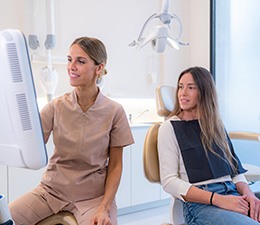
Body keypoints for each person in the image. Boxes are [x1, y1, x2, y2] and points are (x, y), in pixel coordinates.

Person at [9, 36, 134, 225]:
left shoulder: (114, 112)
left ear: (99, 68)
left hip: (93, 197)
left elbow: (116, 165)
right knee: (4, 217)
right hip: (51, 191)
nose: (71, 66)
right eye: (70, 60)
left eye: (80, 61)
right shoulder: (56, 106)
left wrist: (104, 207)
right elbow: (32, 145)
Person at [157, 66, 260, 225]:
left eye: (191, 87)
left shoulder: (216, 125)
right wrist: (218, 200)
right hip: (201, 204)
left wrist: (250, 196)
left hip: (232, 193)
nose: (182, 93)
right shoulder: (169, 127)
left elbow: (235, 171)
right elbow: (169, 182)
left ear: (205, 92)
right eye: (180, 86)